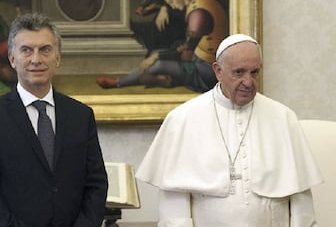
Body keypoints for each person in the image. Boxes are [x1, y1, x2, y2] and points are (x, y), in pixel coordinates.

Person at [135, 34, 323, 226]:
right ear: (218, 71)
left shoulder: (282, 117)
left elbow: (301, 201)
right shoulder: (183, 118)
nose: (248, 82)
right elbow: (174, 203)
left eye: (254, 72)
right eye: (239, 72)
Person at [0, 12, 108, 227]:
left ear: (58, 58)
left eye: (45, 50)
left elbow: (96, 184)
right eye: (26, 50)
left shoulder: (81, 115)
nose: (36, 59)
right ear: (13, 59)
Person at [96, 0, 228, 93]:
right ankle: (166, 80)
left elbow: (186, 55)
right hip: (199, 59)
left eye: (169, 0)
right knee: (157, 56)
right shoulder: (200, 2)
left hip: (208, 70)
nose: (169, 4)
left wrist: (157, 57)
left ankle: (118, 83)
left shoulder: (198, 14)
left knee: (159, 63)